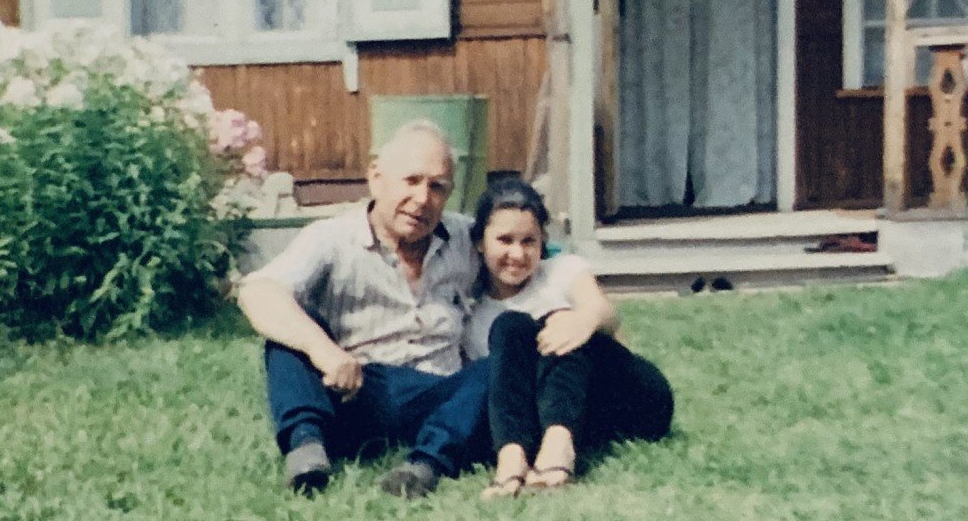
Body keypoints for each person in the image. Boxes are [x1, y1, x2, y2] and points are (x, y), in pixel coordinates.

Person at [236, 120, 492, 498]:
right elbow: (258, 291)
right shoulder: (332, 238)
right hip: (358, 390)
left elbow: (534, 264)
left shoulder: (465, 239)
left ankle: (425, 465)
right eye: (411, 180)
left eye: (437, 187)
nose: (423, 199)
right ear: (376, 177)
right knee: (290, 336)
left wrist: (585, 311)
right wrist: (323, 349)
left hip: (439, 394)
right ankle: (307, 448)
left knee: (499, 366)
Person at [466, 176, 673, 498]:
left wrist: (583, 319)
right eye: (504, 240)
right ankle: (512, 458)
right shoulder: (476, 317)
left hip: (628, 398)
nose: (517, 254)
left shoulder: (562, 271)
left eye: (528, 241)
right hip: (567, 418)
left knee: (559, 319)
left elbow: (605, 311)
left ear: (542, 241)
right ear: (480, 242)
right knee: (509, 327)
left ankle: (559, 447)